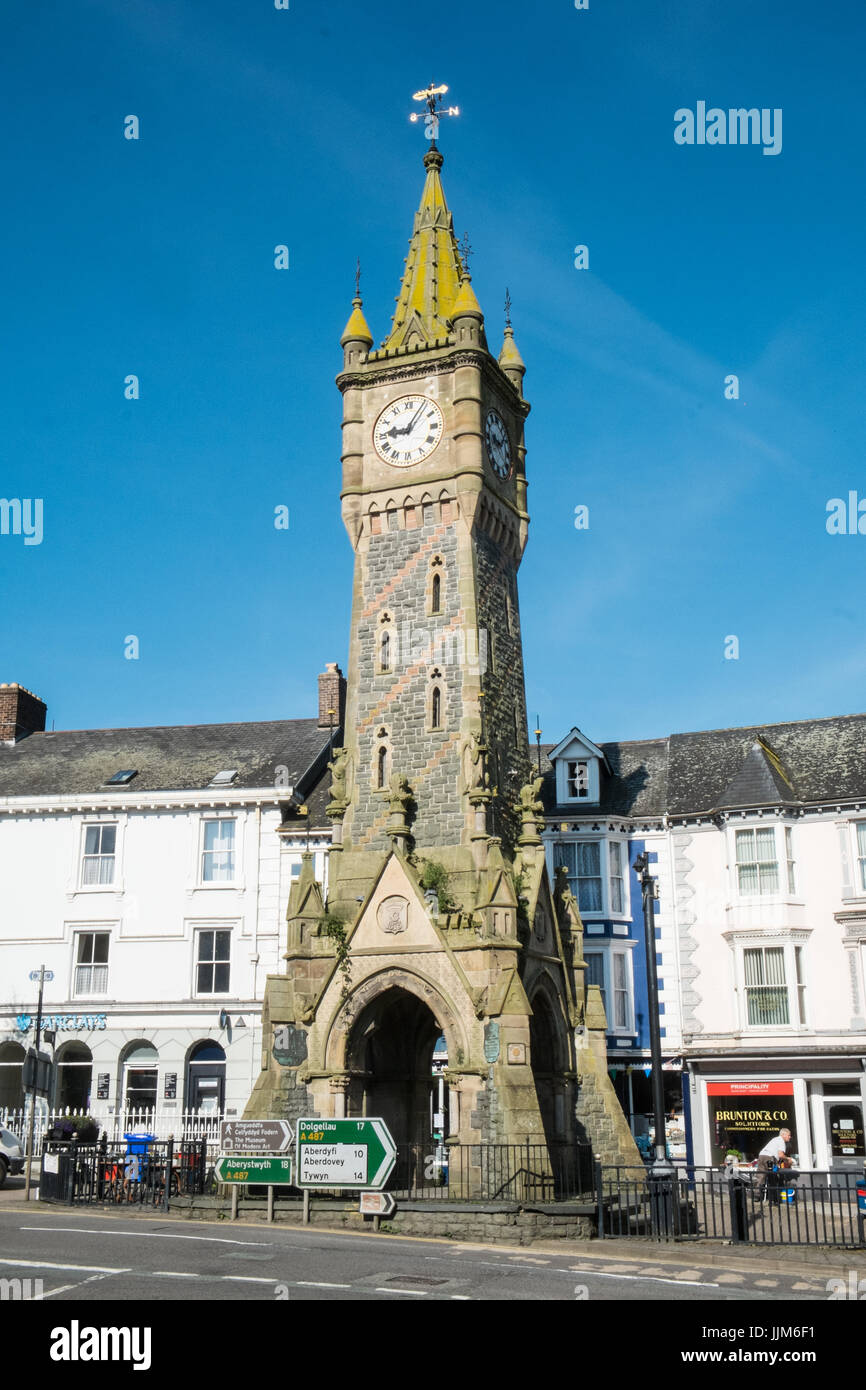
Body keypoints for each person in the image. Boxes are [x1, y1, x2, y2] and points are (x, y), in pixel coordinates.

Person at [755, 1127, 792, 1198]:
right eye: (789, 1135)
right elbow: (780, 1155)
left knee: (761, 1176)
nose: (790, 1137)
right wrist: (788, 1159)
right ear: (783, 1134)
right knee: (773, 1176)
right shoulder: (781, 1141)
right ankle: (774, 1197)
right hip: (769, 1158)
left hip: (761, 1155)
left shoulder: (774, 1139)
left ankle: (757, 1196)